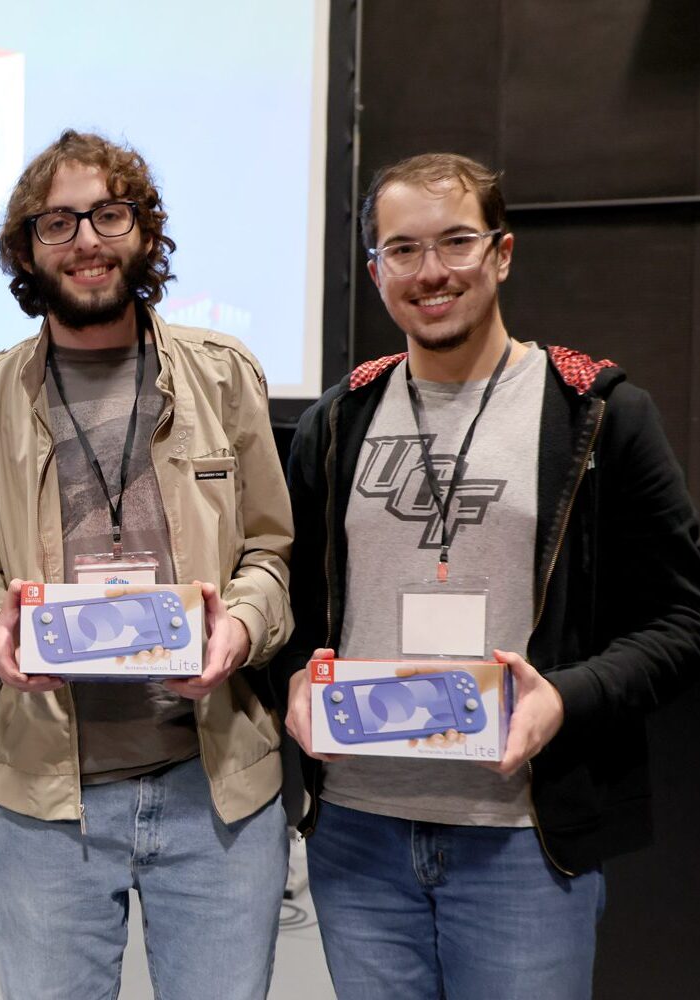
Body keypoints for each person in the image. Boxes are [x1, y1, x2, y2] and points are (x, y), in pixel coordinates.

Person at [277, 152, 700, 998]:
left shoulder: (597, 413)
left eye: (455, 243)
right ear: (373, 270)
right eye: (402, 250)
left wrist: (562, 698)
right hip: (358, 832)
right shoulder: (335, 421)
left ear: (501, 253)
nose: (430, 272)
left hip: (521, 835)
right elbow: (291, 613)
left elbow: (681, 621)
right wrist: (290, 681)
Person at [0, 129, 295, 999]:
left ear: (143, 231)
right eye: (57, 224)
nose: (87, 241)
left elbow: (269, 550)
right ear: (25, 249)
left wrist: (240, 628)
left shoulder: (221, 376)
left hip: (213, 785)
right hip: (46, 800)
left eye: (107, 214)